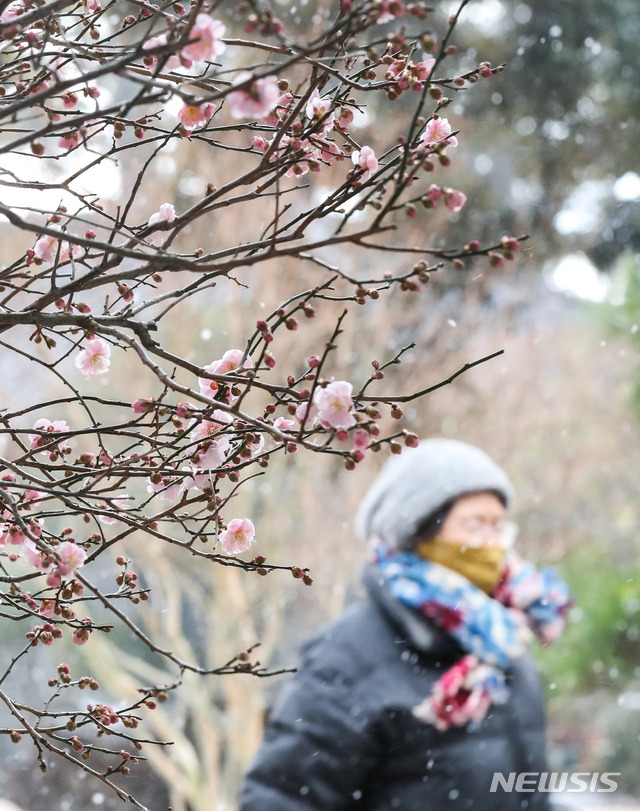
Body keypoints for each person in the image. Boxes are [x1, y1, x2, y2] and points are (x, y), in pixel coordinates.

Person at [238, 439, 573, 810]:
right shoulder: (347, 659)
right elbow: (281, 799)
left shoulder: (506, 645)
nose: (493, 545)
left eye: (499, 527)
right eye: (476, 526)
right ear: (417, 533)